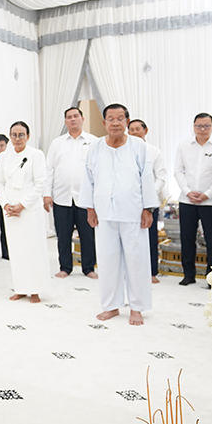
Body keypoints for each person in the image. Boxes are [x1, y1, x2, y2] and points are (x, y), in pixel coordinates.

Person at [77, 104, 158, 325]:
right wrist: (90, 209)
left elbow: (147, 178)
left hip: (133, 212)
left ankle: (137, 307)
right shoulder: (95, 147)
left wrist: (148, 209)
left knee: (137, 261)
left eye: (120, 118)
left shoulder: (138, 146)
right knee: (107, 261)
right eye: (111, 119)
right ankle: (111, 306)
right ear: (104, 123)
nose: (115, 123)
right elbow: (88, 178)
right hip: (104, 213)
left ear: (127, 122)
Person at [0, 121, 49, 302]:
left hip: (29, 209)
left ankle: (35, 290)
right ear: (10, 136)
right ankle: (20, 288)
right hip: (10, 211)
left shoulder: (36, 155)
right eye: (14, 135)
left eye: (21, 135)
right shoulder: (4, 156)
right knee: (17, 251)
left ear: (28, 136)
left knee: (33, 250)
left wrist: (22, 205)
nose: (17, 138)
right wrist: (6, 204)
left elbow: (40, 184)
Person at [44, 107, 98, 279]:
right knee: (63, 235)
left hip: (86, 198)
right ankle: (65, 267)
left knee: (88, 235)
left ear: (82, 119)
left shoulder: (94, 141)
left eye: (76, 116)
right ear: (65, 121)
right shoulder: (57, 143)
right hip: (62, 197)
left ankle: (89, 268)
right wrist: (47, 193)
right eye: (69, 117)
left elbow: (99, 169)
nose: (73, 119)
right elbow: (49, 169)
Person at [174, 113, 212, 286]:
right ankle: (188, 275)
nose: (202, 129)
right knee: (187, 238)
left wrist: (207, 194)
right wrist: (188, 192)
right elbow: (178, 170)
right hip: (187, 200)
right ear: (194, 126)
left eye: (206, 126)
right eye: (199, 126)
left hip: (211, 201)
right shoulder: (184, 145)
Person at [129, 119, 168, 284]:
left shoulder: (154, 152)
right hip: (129, 201)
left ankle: (151, 272)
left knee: (150, 237)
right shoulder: (124, 151)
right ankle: (130, 271)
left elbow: (161, 177)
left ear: (145, 131)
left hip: (149, 202)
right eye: (131, 130)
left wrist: (149, 194)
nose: (135, 132)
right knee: (130, 238)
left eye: (138, 129)